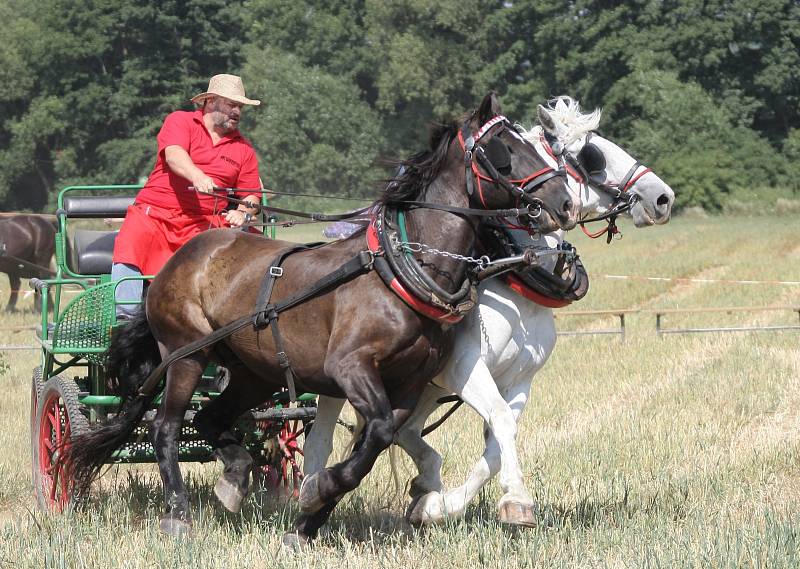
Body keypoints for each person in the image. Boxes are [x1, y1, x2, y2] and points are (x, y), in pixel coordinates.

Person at [111, 74, 263, 316]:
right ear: (210, 101)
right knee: (133, 236)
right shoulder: (180, 121)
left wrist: (242, 212)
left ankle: (242, 314)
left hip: (206, 222)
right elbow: (174, 155)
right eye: (232, 104)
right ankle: (124, 315)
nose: (237, 111)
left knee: (257, 243)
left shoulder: (243, 148)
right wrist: (197, 175)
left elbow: (252, 195)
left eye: (240, 107)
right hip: (156, 215)